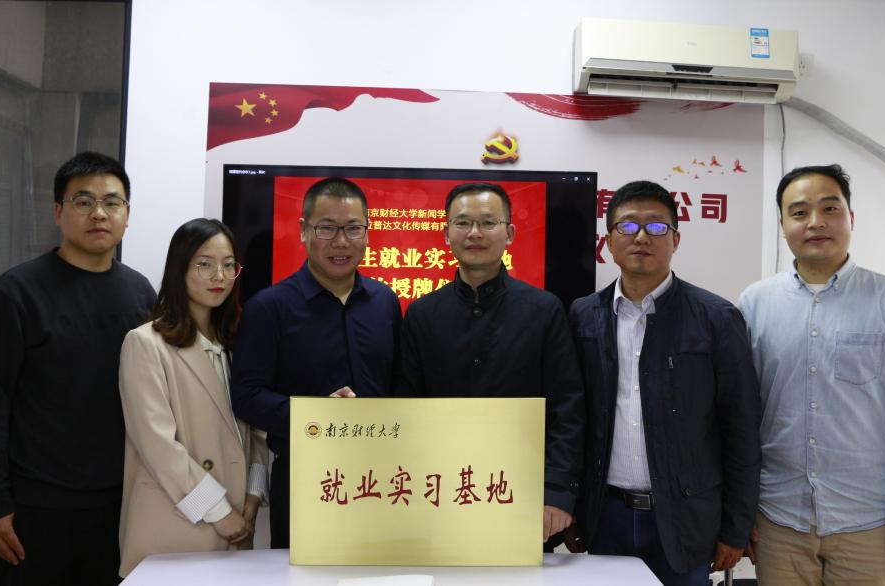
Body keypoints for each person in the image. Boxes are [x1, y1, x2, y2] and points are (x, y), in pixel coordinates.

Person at [738, 164, 885, 586]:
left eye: (830, 208)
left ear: (851, 217)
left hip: (870, 522)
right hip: (778, 519)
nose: (815, 222)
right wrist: (741, 509)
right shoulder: (754, 303)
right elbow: (740, 416)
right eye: (799, 212)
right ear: (782, 225)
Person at [0, 151, 156, 585]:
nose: (99, 213)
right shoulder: (16, 294)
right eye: (83, 201)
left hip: (121, 503)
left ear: (127, 214)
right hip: (36, 508)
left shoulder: (140, 293)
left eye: (112, 202)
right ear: (57, 212)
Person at [568, 180, 760, 586]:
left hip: (685, 518)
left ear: (675, 239)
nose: (642, 237)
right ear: (608, 241)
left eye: (656, 227)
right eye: (627, 226)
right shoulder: (583, 316)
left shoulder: (716, 318)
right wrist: (573, 508)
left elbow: (741, 428)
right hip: (606, 515)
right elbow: (573, 420)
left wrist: (735, 528)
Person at [395, 182, 585, 546]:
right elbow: (406, 407)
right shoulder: (422, 315)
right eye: (463, 223)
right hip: (437, 495)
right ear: (446, 234)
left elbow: (567, 408)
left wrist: (558, 492)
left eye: (487, 222)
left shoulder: (544, 311)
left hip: (524, 496)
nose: (475, 233)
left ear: (509, 233)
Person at [231, 177, 402, 548]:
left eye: (353, 228)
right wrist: (317, 415)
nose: (341, 242)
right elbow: (246, 395)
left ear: (367, 232)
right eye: (327, 228)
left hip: (385, 475)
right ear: (303, 230)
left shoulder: (385, 302)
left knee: (380, 568)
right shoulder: (268, 308)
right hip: (305, 475)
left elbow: (398, 385)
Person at [118, 218, 269, 576]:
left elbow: (256, 432)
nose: (219, 276)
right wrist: (219, 512)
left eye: (229, 265)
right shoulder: (145, 343)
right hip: (177, 524)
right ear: (179, 269)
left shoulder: (236, 343)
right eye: (204, 264)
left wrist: (253, 495)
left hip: (237, 522)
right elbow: (158, 447)